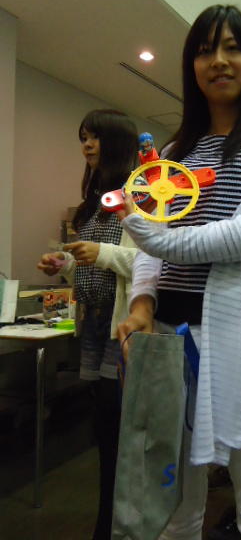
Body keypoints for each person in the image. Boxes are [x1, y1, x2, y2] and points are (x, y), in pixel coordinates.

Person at [118, 5, 241, 540]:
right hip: (169, 340)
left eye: (233, 48)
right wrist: (141, 303)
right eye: (205, 51)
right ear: (191, 66)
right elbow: (152, 246)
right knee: (172, 507)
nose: (219, 61)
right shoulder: (175, 152)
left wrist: (153, 236)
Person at [37, 109, 138, 539]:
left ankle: (119, 524)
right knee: (105, 430)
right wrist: (63, 264)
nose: (87, 145)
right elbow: (92, 267)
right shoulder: (95, 201)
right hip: (96, 325)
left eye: (95, 137)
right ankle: (108, 521)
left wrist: (101, 253)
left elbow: (153, 262)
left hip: (124, 329)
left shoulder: (138, 195)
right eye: (83, 137)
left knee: (121, 432)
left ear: (117, 143)